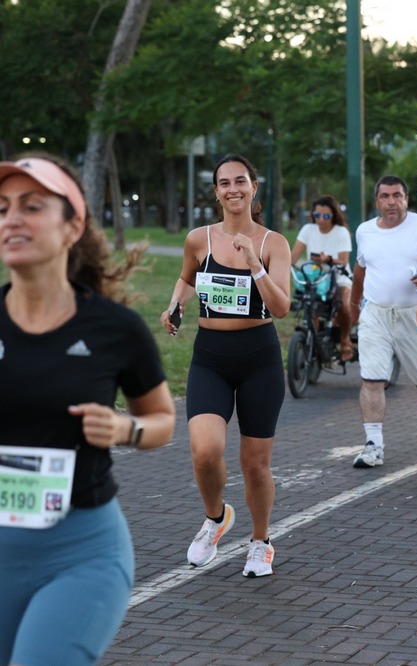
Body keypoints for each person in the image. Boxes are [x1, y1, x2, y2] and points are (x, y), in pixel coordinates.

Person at [0, 154, 176, 664]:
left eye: (32, 206)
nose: (12, 219)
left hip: (80, 552)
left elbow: (163, 420)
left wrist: (124, 428)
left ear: (72, 226)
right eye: (3, 208)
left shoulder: (115, 329)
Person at [162, 153, 291, 578]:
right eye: (224, 183)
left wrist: (255, 264)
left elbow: (281, 307)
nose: (233, 189)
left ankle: (260, 541)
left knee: (254, 463)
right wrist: (176, 305)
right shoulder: (198, 239)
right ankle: (216, 518)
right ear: (216, 192)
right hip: (211, 358)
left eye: (240, 181)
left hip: (259, 359)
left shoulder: (273, 244)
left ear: (254, 187)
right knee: (204, 451)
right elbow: (187, 278)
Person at [350, 175, 417, 468]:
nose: (391, 202)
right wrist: (353, 307)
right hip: (375, 314)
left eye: (397, 196)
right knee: (371, 378)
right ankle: (373, 445)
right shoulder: (365, 231)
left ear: (406, 199)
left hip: (413, 314)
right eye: (385, 196)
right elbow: (360, 270)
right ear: (377, 201)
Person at [289, 194, 354, 361]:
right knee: (310, 304)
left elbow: (343, 260)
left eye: (326, 216)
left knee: (344, 304)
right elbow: (293, 257)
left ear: (333, 215)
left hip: (339, 276)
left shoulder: (341, 232)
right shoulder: (308, 230)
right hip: (316, 277)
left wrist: (329, 260)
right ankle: (313, 340)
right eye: (317, 215)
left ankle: (345, 339)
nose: (321, 219)